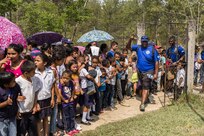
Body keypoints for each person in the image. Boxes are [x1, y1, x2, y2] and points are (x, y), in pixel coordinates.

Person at [127, 35, 159, 112]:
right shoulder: (138, 47)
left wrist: (156, 74)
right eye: (143, 41)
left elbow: (156, 62)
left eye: (145, 41)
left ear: (147, 41)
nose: (144, 43)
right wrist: (130, 39)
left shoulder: (153, 50)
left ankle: (142, 104)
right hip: (139, 71)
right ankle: (146, 97)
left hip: (149, 71)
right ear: (141, 42)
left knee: (145, 85)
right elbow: (128, 48)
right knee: (142, 85)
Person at [16, 61, 41, 136]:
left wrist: (35, 105)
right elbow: (12, 96)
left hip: (31, 111)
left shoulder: (33, 79)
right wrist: (17, 97)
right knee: (21, 132)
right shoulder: (18, 81)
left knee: (33, 132)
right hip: (21, 112)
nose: (35, 73)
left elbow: (35, 93)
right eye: (33, 72)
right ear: (26, 73)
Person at [34, 54, 55, 136]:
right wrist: (35, 103)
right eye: (35, 60)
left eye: (38, 60)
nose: (35, 62)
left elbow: (52, 86)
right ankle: (40, 134)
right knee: (38, 119)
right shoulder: (34, 73)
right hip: (38, 99)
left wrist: (52, 98)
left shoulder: (50, 72)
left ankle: (46, 134)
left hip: (47, 98)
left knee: (46, 118)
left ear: (45, 63)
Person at [58, 70, 79, 135]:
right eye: (63, 78)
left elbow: (73, 90)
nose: (65, 80)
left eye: (67, 78)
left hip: (71, 102)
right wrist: (64, 100)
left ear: (70, 78)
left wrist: (72, 97)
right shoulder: (61, 85)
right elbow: (59, 93)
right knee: (66, 117)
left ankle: (73, 128)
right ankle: (67, 129)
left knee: (72, 116)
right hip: (64, 104)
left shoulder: (71, 83)